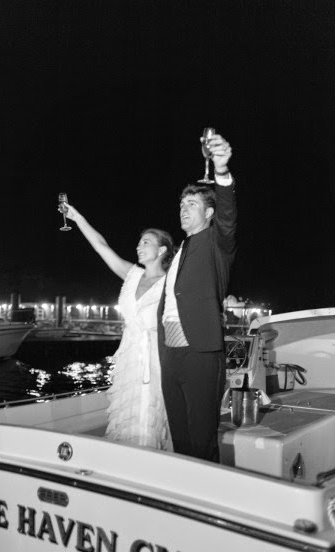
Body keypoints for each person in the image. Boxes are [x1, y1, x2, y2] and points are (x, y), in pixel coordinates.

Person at [60, 203, 175, 449]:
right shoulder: (132, 275)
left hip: (156, 362)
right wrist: (77, 218)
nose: (139, 246)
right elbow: (101, 246)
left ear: (162, 249)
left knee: (148, 421)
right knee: (127, 420)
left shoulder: (171, 283)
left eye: (146, 242)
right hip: (128, 361)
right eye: (139, 242)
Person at [157, 132, 237, 462]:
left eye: (192, 204)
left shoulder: (216, 244)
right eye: (181, 204)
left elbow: (228, 217)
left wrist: (222, 171)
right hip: (170, 355)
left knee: (202, 440)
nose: (184, 209)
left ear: (209, 214)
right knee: (180, 438)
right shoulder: (181, 250)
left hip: (200, 353)